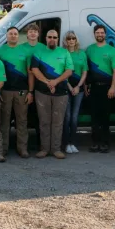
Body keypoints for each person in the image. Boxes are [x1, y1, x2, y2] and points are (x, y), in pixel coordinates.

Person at [30, 29, 73, 159]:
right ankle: (44, 149)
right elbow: (35, 70)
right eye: (50, 37)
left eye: (55, 37)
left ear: (57, 38)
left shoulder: (64, 52)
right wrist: (48, 82)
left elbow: (69, 70)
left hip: (61, 93)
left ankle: (55, 149)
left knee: (58, 122)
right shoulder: (38, 52)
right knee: (44, 121)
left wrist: (55, 82)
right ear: (46, 38)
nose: (52, 39)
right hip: (42, 92)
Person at [0, 27, 34, 158]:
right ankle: (3, 148)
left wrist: (30, 91)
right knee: (4, 121)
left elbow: (30, 73)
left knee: (22, 121)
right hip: (5, 91)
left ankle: (22, 148)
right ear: (6, 36)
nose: (13, 36)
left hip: (22, 91)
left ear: (19, 36)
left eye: (15, 34)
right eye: (10, 34)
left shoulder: (26, 51)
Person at [84, 25, 115, 153]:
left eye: (102, 32)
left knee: (105, 117)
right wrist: (86, 85)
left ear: (105, 34)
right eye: (97, 32)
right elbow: (86, 70)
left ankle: (105, 143)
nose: (100, 34)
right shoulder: (89, 50)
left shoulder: (112, 50)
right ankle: (95, 143)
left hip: (107, 88)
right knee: (94, 117)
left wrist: (112, 87)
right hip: (93, 88)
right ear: (94, 34)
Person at [63, 31, 88, 154]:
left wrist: (78, 86)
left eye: (73, 38)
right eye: (69, 38)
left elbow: (84, 72)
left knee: (74, 117)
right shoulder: (63, 53)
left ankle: (73, 143)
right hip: (66, 87)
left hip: (79, 88)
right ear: (65, 41)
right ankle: (66, 143)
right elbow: (62, 71)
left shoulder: (81, 53)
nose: (71, 40)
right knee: (66, 117)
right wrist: (69, 86)